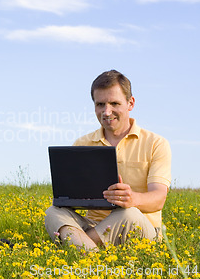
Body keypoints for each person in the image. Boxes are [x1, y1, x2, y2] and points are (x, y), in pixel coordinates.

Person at [45, 70, 171, 251]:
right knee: (53, 211)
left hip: (137, 227)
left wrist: (132, 199)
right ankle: (94, 255)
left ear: (130, 103)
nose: (106, 111)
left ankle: (80, 248)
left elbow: (158, 199)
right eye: (100, 104)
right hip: (94, 225)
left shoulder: (156, 144)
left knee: (129, 213)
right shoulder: (82, 144)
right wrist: (66, 198)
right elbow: (72, 198)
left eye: (114, 103)